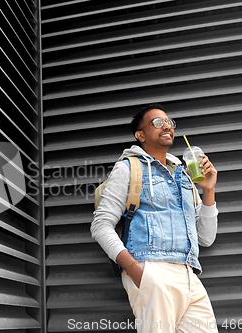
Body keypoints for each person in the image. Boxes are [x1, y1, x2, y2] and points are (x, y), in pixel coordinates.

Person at [91, 103, 219, 332]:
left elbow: (206, 238)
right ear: (140, 134)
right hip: (152, 270)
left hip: (190, 273)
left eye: (169, 122)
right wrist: (136, 270)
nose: (166, 125)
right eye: (157, 122)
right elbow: (101, 225)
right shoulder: (129, 168)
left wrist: (208, 191)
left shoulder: (184, 175)